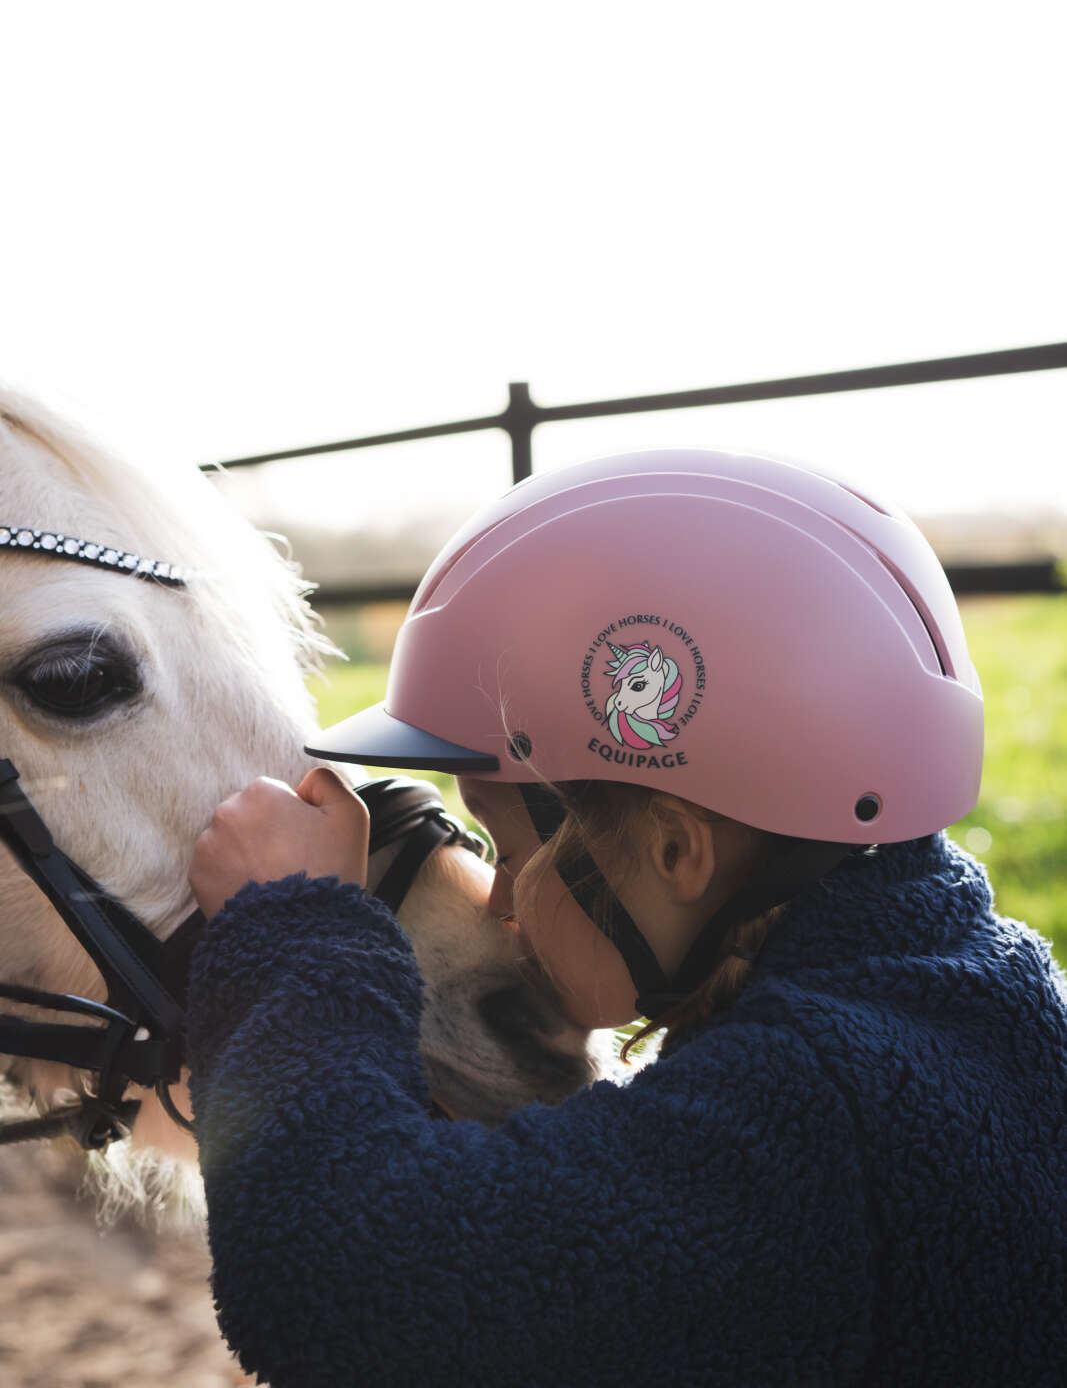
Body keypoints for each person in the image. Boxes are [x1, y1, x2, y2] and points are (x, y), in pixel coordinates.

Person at [187, 447, 1067, 1388]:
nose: (498, 905)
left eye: (509, 849)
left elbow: (338, 1285)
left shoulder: (800, 1113)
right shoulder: (976, 987)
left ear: (676, 852)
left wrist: (295, 928)